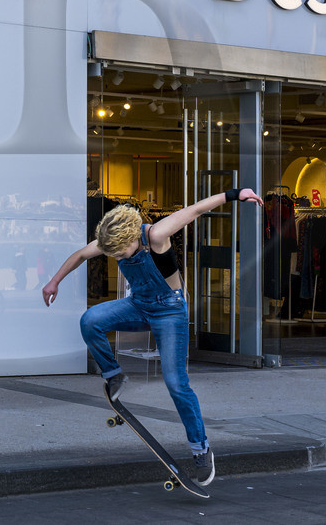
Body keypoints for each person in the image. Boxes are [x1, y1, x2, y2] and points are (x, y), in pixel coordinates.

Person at [43, 187, 262, 487]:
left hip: (170, 312)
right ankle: (114, 374)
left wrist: (238, 194)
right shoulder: (113, 239)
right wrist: (54, 281)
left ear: (132, 239)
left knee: (175, 382)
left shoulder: (157, 234)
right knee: (89, 321)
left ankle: (201, 449)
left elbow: (195, 210)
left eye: (118, 253)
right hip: (138, 306)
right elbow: (81, 254)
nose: (116, 258)